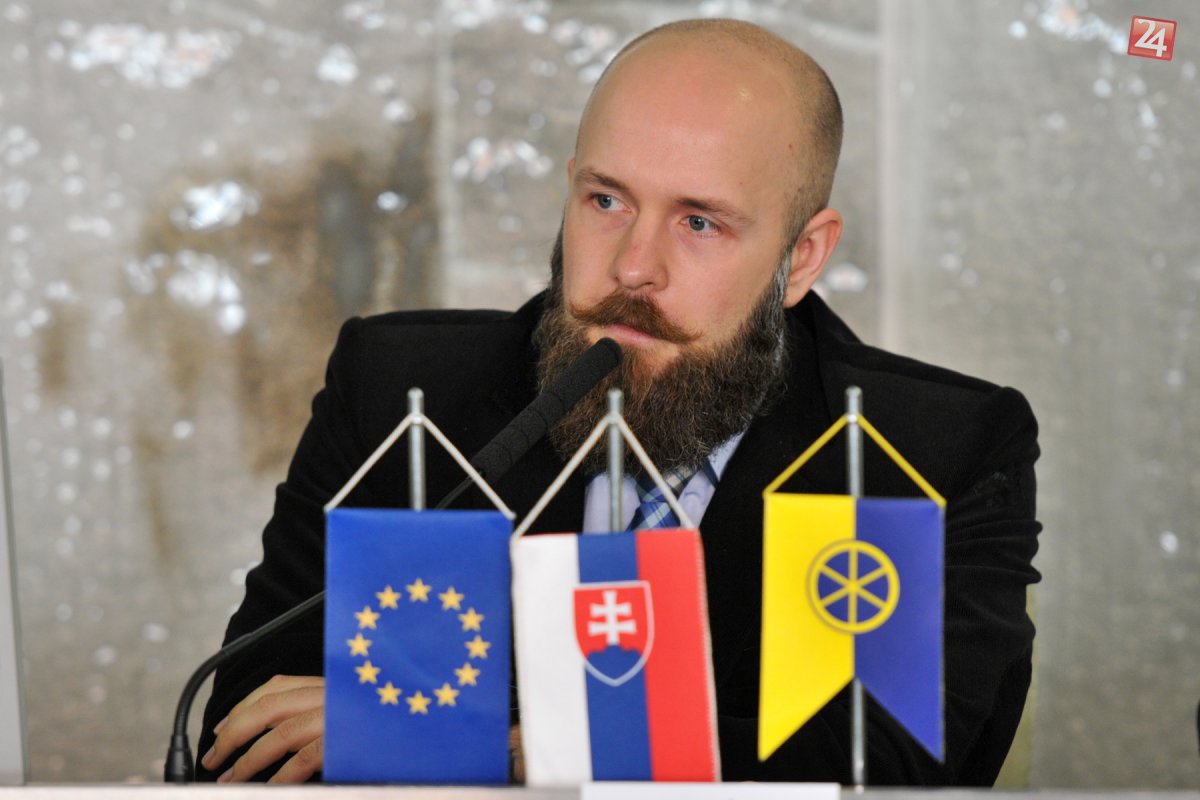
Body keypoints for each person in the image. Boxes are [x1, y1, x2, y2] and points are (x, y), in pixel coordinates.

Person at [196, 18, 1040, 785]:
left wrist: (504, 744)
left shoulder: (920, 453)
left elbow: (886, 763)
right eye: (606, 200)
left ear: (804, 256)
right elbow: (254, 720)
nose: (634, 267)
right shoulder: (404, 395)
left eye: (699, 222)